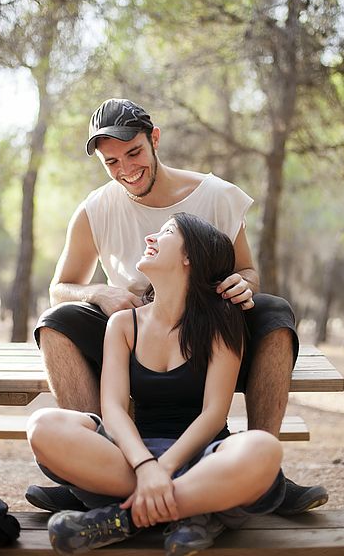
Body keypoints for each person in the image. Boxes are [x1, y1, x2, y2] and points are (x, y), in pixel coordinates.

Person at [26, 98, 327, 517]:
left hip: (209, 329)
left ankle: (264, 475)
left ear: (154, 139)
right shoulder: (96, 208)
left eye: (133, 153)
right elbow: (59, 287)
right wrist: (97, 293)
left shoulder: (218, 196)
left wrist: (244, 284)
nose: (126, 169)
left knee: (275, 311)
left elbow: (249, 271)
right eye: (111, 162)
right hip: (134, 332)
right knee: (56, 321)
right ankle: (93, 467)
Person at [27, 213, 287, 556]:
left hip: (204, 458)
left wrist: (163, 469)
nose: (151, 238)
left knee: (263, 450)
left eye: (166, 232)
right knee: (43, 426)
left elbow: (213, 413)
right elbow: (114, 409)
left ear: (189, 256)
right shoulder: (123, 324)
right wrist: (146, 466)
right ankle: (196, 510)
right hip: (129, 461)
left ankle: (126, 519)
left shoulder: (224, 321)